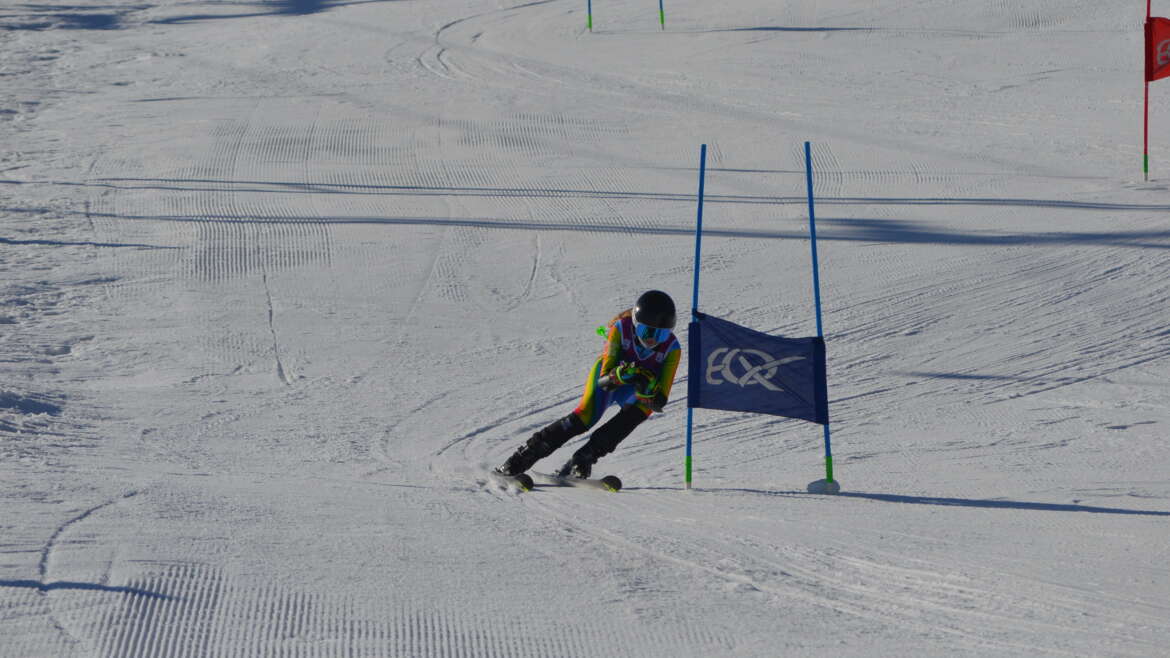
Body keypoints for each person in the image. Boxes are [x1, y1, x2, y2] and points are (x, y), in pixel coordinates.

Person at [496, 290, 682, 479]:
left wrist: (648, 390)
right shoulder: (621, 328)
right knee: (584, 417)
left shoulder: (672, 349)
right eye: (646, 331)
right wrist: (623, 374)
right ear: (635, 324)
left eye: (662, 334)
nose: (652, 339)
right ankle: (520, 459)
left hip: (635, 390)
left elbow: (660, 401)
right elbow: (605, 382)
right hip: (609, 380)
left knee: (634, 416)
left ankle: (584, 458)